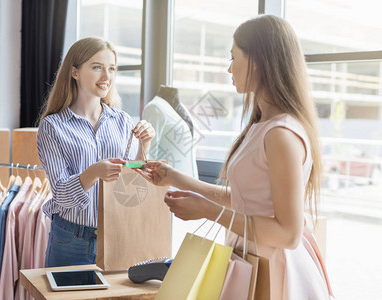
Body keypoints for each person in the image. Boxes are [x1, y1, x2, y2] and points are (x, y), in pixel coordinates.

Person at [137, 15, 333, 299]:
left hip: (274, 269)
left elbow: (288, 234)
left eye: (233, 58)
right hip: (251, 259)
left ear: (258, 60)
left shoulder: (281, 134)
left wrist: (207, 211)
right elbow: (245, 199)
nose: (229, 68)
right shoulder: (261, 126)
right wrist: (176, 179)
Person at [37, 37, 155, 267]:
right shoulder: (52, 126)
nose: (106, 76)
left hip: (117, 234)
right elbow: (60, 194)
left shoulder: (122, 121)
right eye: (97, 67)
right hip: (71, 239)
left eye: (111, 68)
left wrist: (145, 145)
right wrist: (93, 172)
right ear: (74, 72)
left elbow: (131, 181)